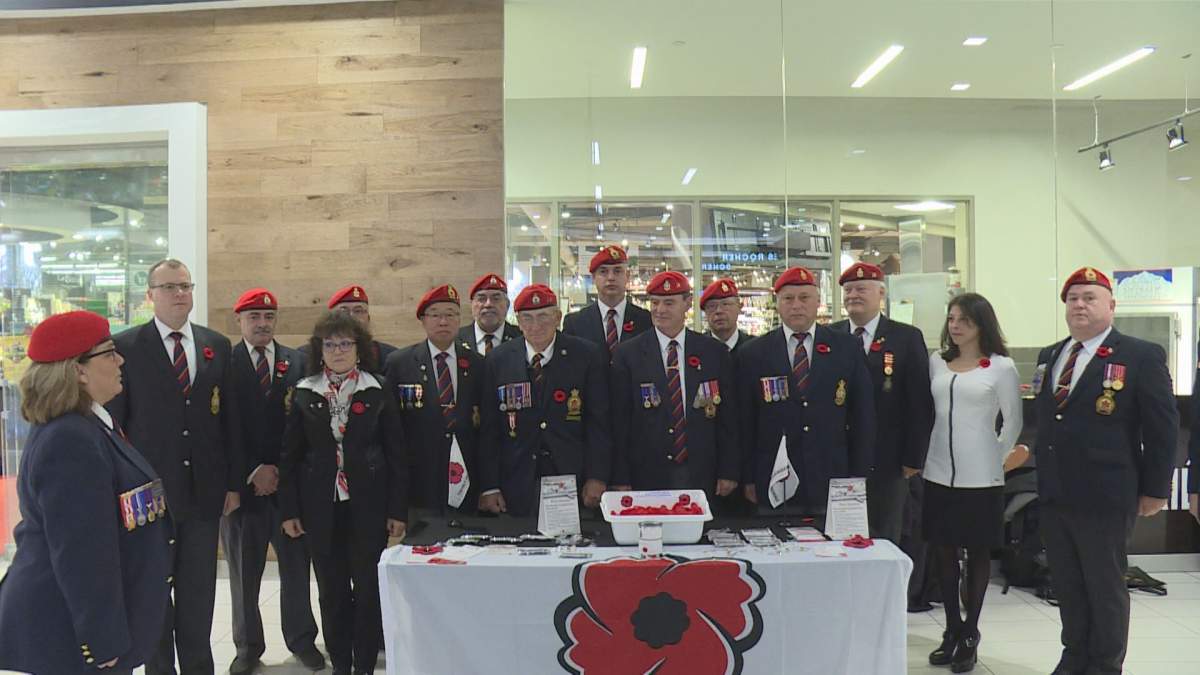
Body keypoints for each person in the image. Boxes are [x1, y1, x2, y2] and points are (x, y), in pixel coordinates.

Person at [0, 311, 171, 674]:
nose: (120, 360)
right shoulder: (70, 439)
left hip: (79, 622)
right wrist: (102, 639)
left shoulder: (90, 424)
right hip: (68, 631)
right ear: (77, 370)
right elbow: (82, 553)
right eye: (109, 353)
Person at [1033, 267, 1177, 675]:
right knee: (1067, 583)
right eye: (1072, 298)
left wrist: (1156, 489)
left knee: (1104, 585)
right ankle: (1074, 656)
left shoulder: (1139, 355)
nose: (1079, 305)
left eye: (1089, 297)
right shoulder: (1051, 355)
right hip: (1056, 493)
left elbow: (1162, 428)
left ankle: (1105, 665)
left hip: (1106, 493)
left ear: (1111, 305)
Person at [107, 258, 242, 675]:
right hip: (149, 498)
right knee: (153, 595)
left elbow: (229, 421)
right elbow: (116, 427)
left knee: (199, 593)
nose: (180, 293)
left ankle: (199, 667)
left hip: (204, 494)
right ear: (150, 295)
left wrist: (232, 484)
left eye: (185, 286)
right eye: (169, 287)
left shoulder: (216, 345)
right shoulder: (125, 348)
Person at [279, 311, 408, 675]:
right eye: (330, 344)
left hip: (368, 506)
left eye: (345, 344)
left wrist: (397, 510)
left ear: (359, 348)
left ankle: (364, 665)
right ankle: (340, 665)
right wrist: (289, 511)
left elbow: (397, 453)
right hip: (321, 508)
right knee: (331, 592)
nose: (338, 351)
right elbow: (290, 457)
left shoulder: (377, 388)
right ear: (319, 350)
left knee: (367, 591)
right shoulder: (305, 391)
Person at [221, 289, 323, 674]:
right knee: (243, 572)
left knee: (296, 568)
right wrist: (253, 471)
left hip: (288, 488)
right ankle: (247, 647)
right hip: (242, 488)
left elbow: (306, 424)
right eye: (254, 317)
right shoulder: (224, 364)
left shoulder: (298, 362)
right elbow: (222, 428)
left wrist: (279, 470)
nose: (262, 324)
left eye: (268, 316)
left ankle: (302, 640)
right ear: (239, 321)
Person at [922, 293, 1022, 673]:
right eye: (951, 318)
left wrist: (995, 457)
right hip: (937, 472)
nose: (956, 326)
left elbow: (1012, 422)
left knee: (978, 551)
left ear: (982, 324)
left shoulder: (1001, 367)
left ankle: (970, 633)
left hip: (981, 477)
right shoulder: (938, 361)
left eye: (964, 319)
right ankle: (951, 628)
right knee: (942, 550)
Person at [736, 266, 875, 514]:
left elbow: (863, 414)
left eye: (804, 298)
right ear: (777, 304)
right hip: (774, 478)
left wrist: (859, 472)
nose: (796, 306)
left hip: (832, 476)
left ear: (818, 302)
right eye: (788, 299)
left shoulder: (846, 347)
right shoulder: (754, 353)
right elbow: (745, 422)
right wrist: (748, 477)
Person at [479, 284, 612, 516]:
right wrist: (489, 486)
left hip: (573, 478)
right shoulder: (498, 360)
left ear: (558, 318)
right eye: (527, 318)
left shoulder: (586, 355)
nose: (536, 326)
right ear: (518, 321)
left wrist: (597, 476)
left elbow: (599, 422)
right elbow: (489, 429)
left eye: (543, 317)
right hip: (516, 481)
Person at [609, 271, 738, 498]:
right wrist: (620, 476)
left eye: (669, 303)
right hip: (646, 472)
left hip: (702, 470)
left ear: (687, 304)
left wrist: (729, 470)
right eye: (655, 303)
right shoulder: (628, 354)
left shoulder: (713, 352)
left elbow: (728, 418)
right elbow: (619, 421)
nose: (660, 310)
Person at [829, 262, 933, 542]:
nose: (853, 296)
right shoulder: (830, 336)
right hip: (840, 456)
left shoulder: (906, 337)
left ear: (881, 293)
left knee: (886, 533)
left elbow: (919, 403)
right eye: (848, 290)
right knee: (840, 534)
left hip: (889, 458)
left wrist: (914, 458)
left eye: (861, 289)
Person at [385, 284, 485, 513]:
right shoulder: (400, 363)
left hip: (467, 475)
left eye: (450, 315)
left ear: (459, 319)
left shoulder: (477, 364)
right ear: (423, 320)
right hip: (419, 477)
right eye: (435, 315)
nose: (443, 322)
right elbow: (392, 427)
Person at [562, 244, 652, 357]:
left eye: (617, 271)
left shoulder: (646, 321)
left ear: (627, 276)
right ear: (593, 278)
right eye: (603, 272)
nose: (611, 277)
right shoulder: (575, 323)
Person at [323, 284, 398, 375]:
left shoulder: (391, 357)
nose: (351, 317)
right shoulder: (311, 356)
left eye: (358, 311)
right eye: (344, 311)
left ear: (368, 319)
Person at [458, 273, 522, 355]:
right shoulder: (456, 339)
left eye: (496, 299)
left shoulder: (522, 338)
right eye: (482, 299)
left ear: (507, 305)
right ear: (472, 305)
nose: (488, 304)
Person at [700, 277, 752, 352]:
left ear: (739, 307)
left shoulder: (756, 348)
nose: (719, 311)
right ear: (705, 312)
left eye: (725, 304)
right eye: (712, 306)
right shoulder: (695, 349)